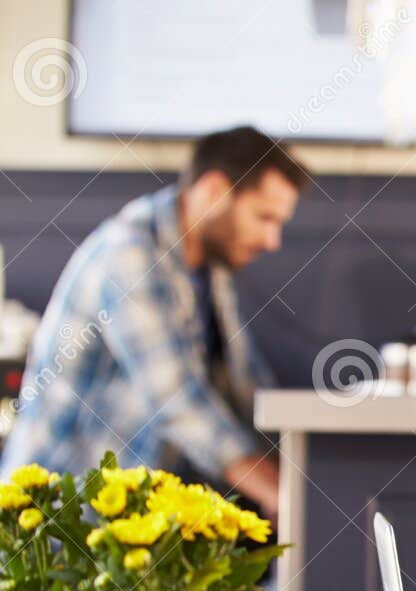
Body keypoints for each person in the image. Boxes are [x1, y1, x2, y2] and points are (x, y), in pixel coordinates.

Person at [0, 126, 310, 517]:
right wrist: (281, 492)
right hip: (55, 529)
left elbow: (245, 384)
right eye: (264, 217)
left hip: (122, 529)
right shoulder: (128, 253)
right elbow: (177, 399)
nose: (272, 240)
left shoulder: (205, 268)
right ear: (214, 192)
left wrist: (304, 470)